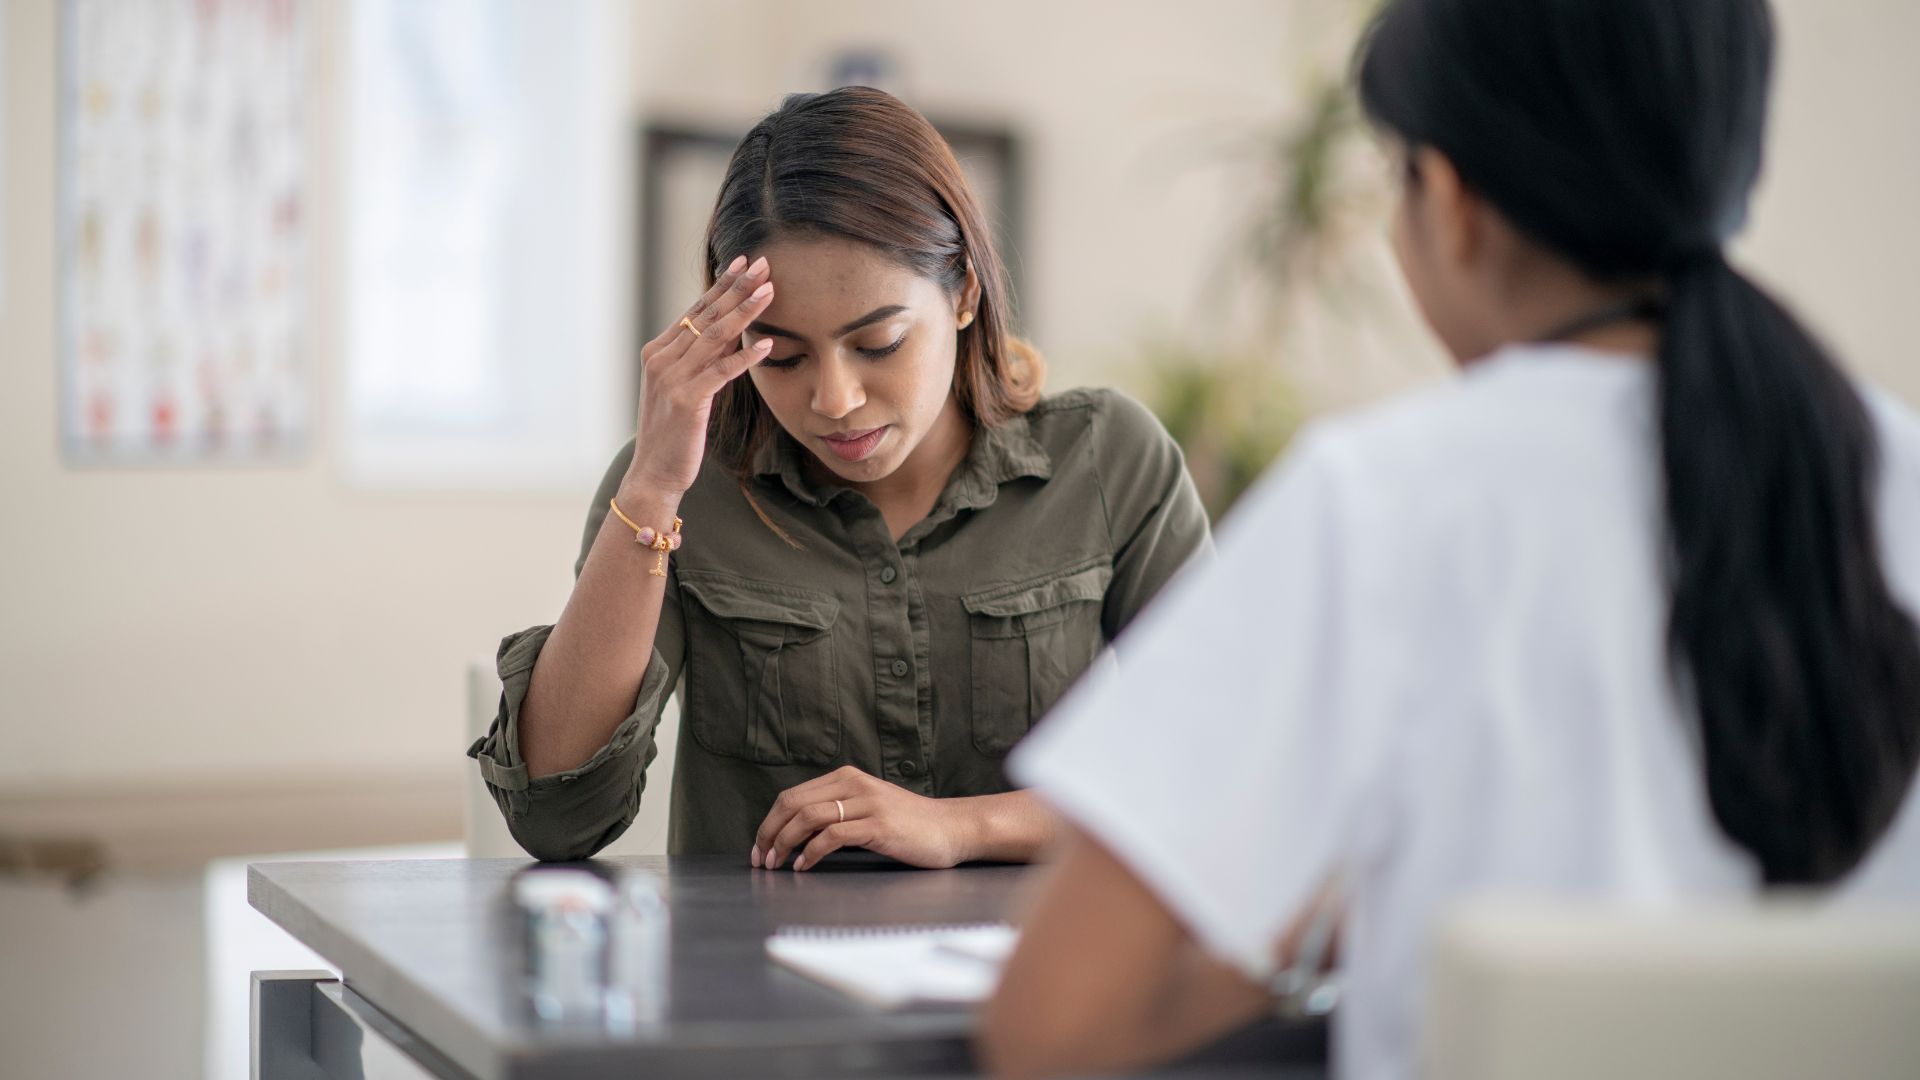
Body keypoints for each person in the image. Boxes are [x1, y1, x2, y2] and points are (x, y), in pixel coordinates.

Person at [979, 1, 1920, 1077]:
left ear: (1452, 201)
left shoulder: (1378, 499)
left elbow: (1049, 1026)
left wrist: (1299, 942)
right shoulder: (1900, 470)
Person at [468, 87, 1209, 870]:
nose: (834, 401)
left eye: (880, 342)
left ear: (963, 290)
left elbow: (1225, 765)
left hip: (1042, 977)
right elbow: (556, 818)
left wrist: (961, 827)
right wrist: (651, 485)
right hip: (758, 980)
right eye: (780, 357)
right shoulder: (682, 494)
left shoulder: (1108, 461)